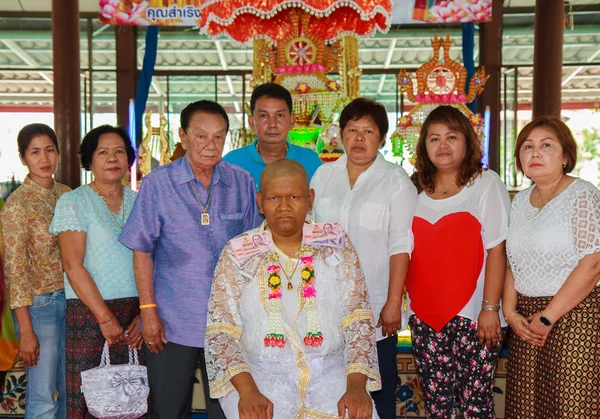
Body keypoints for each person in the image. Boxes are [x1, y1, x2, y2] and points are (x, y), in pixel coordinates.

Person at [205, 159, 381, 419]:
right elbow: (221, 332)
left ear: (310, 199)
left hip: (331, 374)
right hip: (258, 376)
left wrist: (356, 386)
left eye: (294, 196)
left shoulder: (336, 245)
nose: (284, 206)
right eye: (274, 197)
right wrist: (247, 391)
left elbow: (358, 319)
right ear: (260, 202)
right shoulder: (238, 252)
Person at [118, 100, 261, 419]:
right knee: (169, 409)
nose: (211, 145)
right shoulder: (158, 183)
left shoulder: (241, 182)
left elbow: (253, 249)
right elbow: (141, 249)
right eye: (201, 136)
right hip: (172, 322)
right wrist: (149, 313)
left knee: (226, 410)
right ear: (183, 136)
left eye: (219, 137)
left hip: (229, 323)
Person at [310, 98, 417, 419]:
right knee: (328, 385)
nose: (359, 138)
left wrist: (393, 302)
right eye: (352, 130)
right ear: (341, 135)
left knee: (378, 387)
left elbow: (402, 244)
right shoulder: (323, 175)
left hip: (375, 305)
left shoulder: (396, 180)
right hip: (326, 304)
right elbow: (311, 234)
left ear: (381, 138)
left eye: (368, 131)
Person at [406, 106, 510, 418]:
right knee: (438, 406)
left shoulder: (485, 183)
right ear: (424, 145)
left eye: (451, 137)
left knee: (475, 406)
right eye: (434, 138)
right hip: (425, 316)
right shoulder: (413, 189)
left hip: (475, 317)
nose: (443, 145)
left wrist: (490, 308)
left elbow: (497, 250)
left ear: (467, 141)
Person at [503, 116, 600, 418]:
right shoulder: (518, 201)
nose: (535, 153)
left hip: (575, 315)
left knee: (569, 408)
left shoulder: (582, 194)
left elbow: (594, 262)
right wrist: (510, 314)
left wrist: (547, 318)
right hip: (526, 320)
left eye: (546, 146)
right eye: (528, 147)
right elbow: (512, 263)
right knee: (525, 409)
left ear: (566, 156)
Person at [50, 125, 144, 419]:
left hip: (136, 318)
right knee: (90, 402)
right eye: (102, 152)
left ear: (129, 158)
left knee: (134, 403)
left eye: (119, 151)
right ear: (89, 161)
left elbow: (155, 261)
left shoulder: (140, 201)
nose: (112, 158)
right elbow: (72, 265)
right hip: (89, 313)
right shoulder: (74, 202)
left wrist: (145, 313)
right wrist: (105, 319)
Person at [0, 123, 71, 418]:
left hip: (73, 301)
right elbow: (15, 272)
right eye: (35, 152)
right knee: (43, 397)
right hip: (39, 308)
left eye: (50, 150)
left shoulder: (66, 194)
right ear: (23, 158)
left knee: (73, 389)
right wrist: (26, 330)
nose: (44, 159)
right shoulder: (16, 206)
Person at [223, 83, 322, 189]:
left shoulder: (311, 161)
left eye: (280, 115)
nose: (272, 124)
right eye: (263, 116)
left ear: (292, 120)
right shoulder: (231, 164)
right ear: (251, 123)